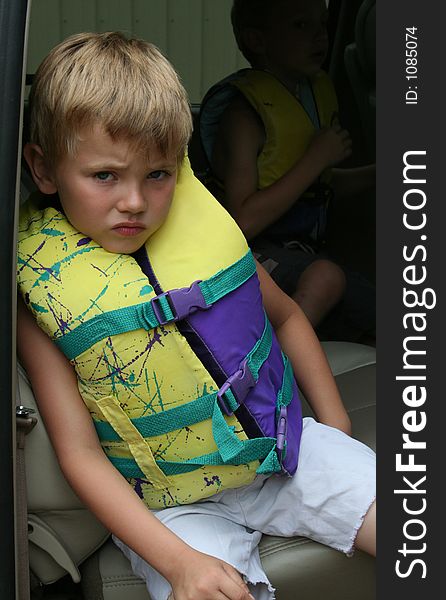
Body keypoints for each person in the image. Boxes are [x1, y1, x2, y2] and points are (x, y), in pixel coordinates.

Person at [17, 32, 375, 600]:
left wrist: (336, 427)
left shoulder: (204, 242)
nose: (134, 201)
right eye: (105, 176)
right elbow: (79, 454)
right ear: (44, 169)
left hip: (281, 452)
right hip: (170, 507)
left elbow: (287, 319)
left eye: (157, 175)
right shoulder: (41, 294)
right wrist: (180, 564)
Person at [200, 0, 376, 340]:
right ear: (257, 41)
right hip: (248, 254)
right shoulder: (244, 117)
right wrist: (315, 159)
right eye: (300, 26)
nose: (320, 36)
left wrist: (375, 174)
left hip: (299, 255)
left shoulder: (309, 98)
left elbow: (316, 190)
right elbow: (242, 221)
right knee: (326, 277)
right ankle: (270, 368)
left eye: (323, 24)